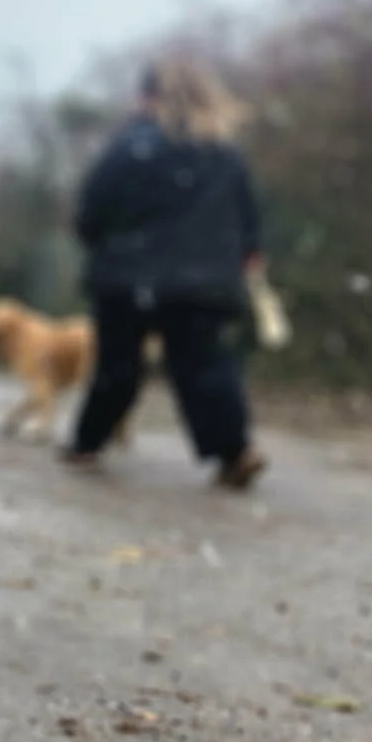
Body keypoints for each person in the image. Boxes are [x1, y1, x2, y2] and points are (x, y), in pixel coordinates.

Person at [66, 57, 268, 490]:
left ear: (146, 98)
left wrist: (99, 243)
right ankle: (234, 451)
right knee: (206, 367)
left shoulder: (129, 148)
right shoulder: (224, 153)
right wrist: (246, 255)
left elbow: (91, 211)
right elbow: (248, 216)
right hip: (204, 281)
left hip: (127, 276)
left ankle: (87, 443)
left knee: (118, 366)